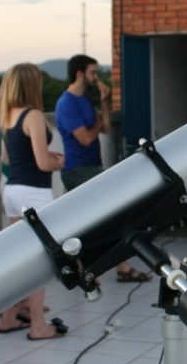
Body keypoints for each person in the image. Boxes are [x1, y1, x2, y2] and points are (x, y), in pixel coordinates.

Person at [55, 54, 151, 282]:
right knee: (109, 213)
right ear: (80, 74)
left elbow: (106, 127)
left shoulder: (86, 101)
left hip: (91, 166)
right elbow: (86, 139)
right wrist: (97, 123)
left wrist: (105, 101)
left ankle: (95, 268)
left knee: (84, 222)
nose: (96, 77)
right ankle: (120, 267)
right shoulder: (66, 103)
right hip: (77, 169)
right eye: (92, 72)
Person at [0, 63, 68, 339]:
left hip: (12, 191)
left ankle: (9, 317)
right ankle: (39, 326)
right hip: (33, 193)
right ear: (31, 85)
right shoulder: (33, 115)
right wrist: (58, 161)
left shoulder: (7, 115)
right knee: (40, 262)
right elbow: (42, 161)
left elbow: (6, 159)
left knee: (17, 258)